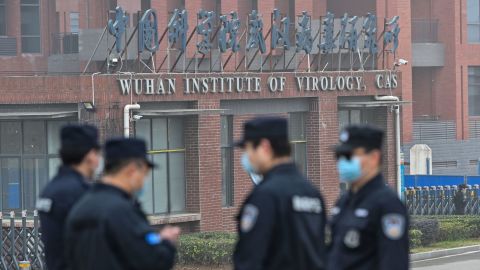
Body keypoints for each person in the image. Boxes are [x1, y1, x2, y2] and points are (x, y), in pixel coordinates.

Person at [65, 138, 180, 270]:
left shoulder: (81, 205)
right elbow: (152, 262)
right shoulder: (121, 211)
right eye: (144, 173)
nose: (144, 180)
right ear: (131, 170)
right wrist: (166, 243)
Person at [233, 117, 327, 270]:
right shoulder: (312, 192)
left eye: (248, 149)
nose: (246, 156)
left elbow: (250, 258)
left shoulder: (265, 195)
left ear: (264, 147)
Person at [327, 125, 409, 270]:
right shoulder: (344, 201)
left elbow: (393, 262)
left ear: (374, 157)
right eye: (339, 156)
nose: (342, 162)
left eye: (349, 156)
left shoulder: (387, 204)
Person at [37, 124, 101, 270]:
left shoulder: (50, 189)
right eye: (97, 154)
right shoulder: (80, 193)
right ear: (90, 155)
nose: (98, 162)